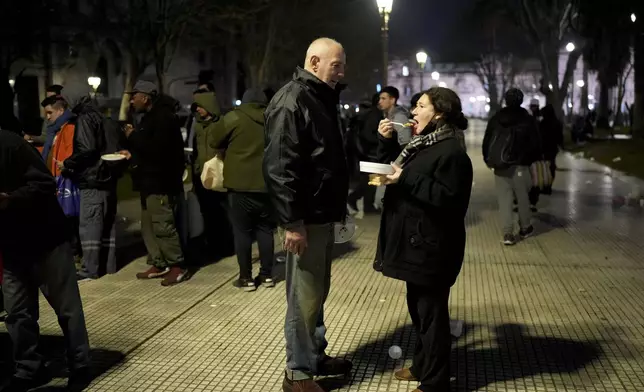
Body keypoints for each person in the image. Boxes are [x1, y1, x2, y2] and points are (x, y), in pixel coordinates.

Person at [264, 37, 352, 392]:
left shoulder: (318, 98)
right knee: (303, 296)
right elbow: (279, 168)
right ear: (314, 62)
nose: (343, 71)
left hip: (319, 215)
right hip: (306, 219)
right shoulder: (293, 100)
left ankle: (314, 355)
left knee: (315, 292)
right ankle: (297, 373)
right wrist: (293, 223)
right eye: (337, 65)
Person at [373, 87, 473, 392]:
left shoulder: (452, 153)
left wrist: (405, 179)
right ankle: (421, 366)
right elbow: (397, 170)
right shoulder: (421, 145)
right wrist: (384, 143)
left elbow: (451, 200)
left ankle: (436, 382)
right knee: (419, 312)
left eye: (420, 106)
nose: (413, 112)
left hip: (433, 248)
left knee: (432, 316)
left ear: (439, 113)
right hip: (415, 245)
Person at [0, 129, 91, 392]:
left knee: (66, 308)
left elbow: (45, 184)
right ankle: (29, 369)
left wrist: (10, 200)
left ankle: (80, 365)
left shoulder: (11, 145)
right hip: (12, 245)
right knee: (17, 312)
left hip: (46, 239)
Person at [125, 80, 188, 286]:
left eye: (134, 96)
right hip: (148, 182)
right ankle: (160, 263)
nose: (132, 100)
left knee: (163, 225)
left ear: (145, 97)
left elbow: (158, 151)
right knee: (149, 226)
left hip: (160, 183)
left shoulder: (163, 118)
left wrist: (133, 136)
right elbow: (148, 150)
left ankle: (177, 266)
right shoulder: (151, 117)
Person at [211, 87, 275, 291]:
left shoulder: (234, 118)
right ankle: (266, 276)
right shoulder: (273, 118)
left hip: (239, 185)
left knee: (242, 232)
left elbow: (214, 140)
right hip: (267, 183)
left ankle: (246, 278)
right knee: (265, 230)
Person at [61, 92, 118, 280]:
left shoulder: (85, 119)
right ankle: (109, 266)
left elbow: (86, 149)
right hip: (108, 179)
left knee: (90, 227)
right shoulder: (104, 118)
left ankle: (89, 270)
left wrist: (68, 163)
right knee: (107, 225)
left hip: (92, 179)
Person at [483, 88, 541, 246]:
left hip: (500, 166)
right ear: (521, 100)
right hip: (520, 166)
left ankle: (507, 233)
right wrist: (530, 159)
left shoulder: (496, 118)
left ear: (506, 100)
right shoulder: (527, 120)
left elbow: (487, 139)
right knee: (523, 198)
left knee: (504, 200)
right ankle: (525, 227)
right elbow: (535, 143)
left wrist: (488, 159)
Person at [190, 84, 235, 262]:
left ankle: (225, 246)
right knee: (207, 212)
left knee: (222, 213)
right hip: (201, 174)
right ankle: (212, 244)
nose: (198, 110)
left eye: (200, 106)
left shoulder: (222, 123)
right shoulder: (198, 126)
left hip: (218, 173)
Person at [347, 93, 381, 215]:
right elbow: (368, 135)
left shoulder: (372, 114)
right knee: (373, 180)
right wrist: (381, 141)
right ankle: (358, 200)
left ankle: (366, 204)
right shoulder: (374, 115)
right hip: (371, 153)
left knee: (371, 180)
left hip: (368, 153)